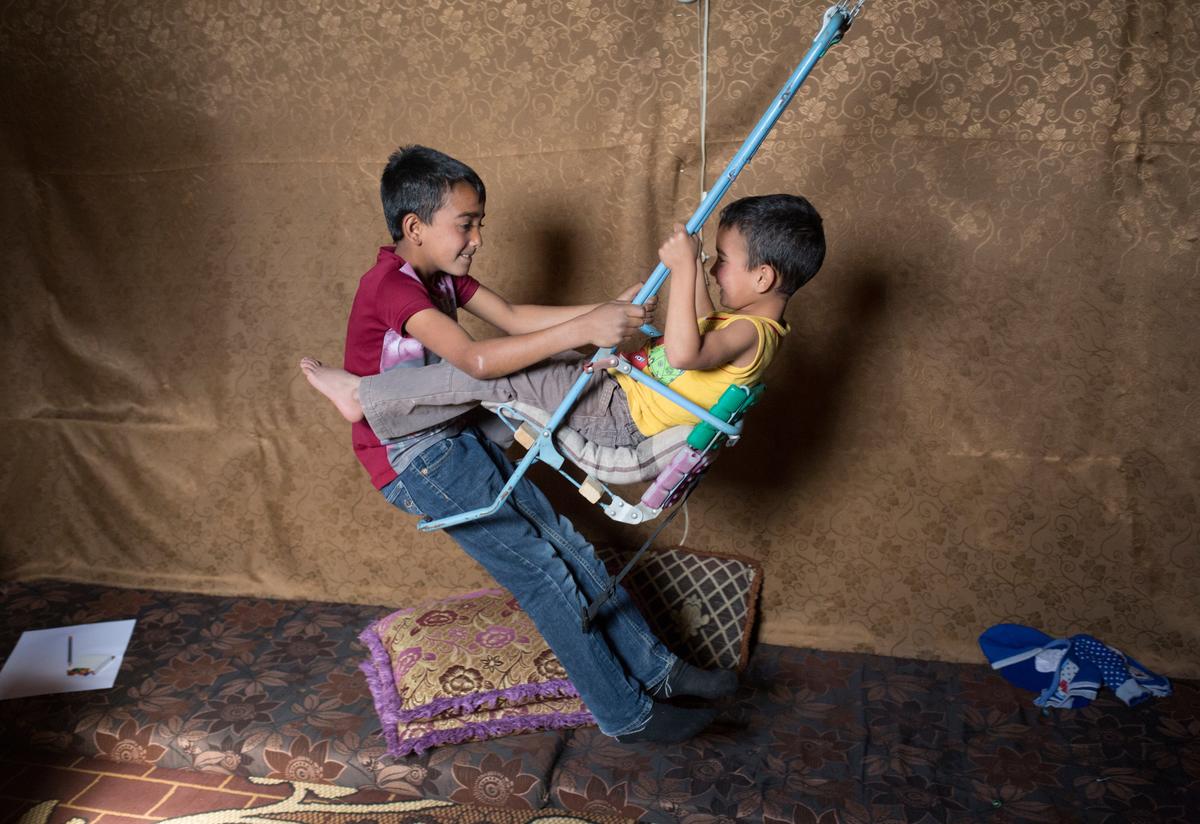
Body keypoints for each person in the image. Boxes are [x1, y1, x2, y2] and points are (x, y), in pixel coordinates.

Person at [306, 144, 734, 744]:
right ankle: (626, 715)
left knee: (571, 547)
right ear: (415, 227)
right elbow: (476, 359)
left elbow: (511, 316)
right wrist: (583, 330)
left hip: (451, 437)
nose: (477, 237)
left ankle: (657, 671)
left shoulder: (442, 279)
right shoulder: (393, 289)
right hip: (414, 460)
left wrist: (608, 311)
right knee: (544, 578)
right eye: (466, 224)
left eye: (480, 223)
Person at [302, 194, 825, 449]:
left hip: (618, 414)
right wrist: (682, 273)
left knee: (491, 370)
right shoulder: (744, 323)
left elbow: (687, 353)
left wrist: (687, 266)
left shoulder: (753, 334)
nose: (713, 267)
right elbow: (701, 316)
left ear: (762, 278)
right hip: (615, 393)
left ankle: (364, 397)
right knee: (530, 358)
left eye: (723, 260)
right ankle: (427, 419)